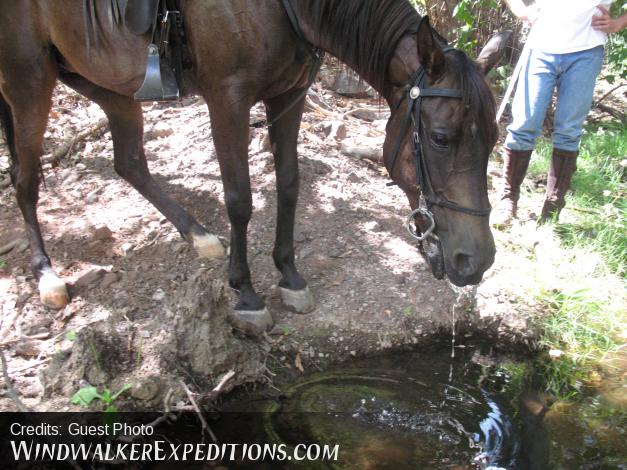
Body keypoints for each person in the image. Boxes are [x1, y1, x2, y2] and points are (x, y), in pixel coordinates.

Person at [495, 0, 627, 225]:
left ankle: (552, 208)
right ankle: (508, 199)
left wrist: (619, 23)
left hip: (586, 52)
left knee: (568, 130)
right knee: (524, 124)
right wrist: (522, 11)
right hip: (540, 48)